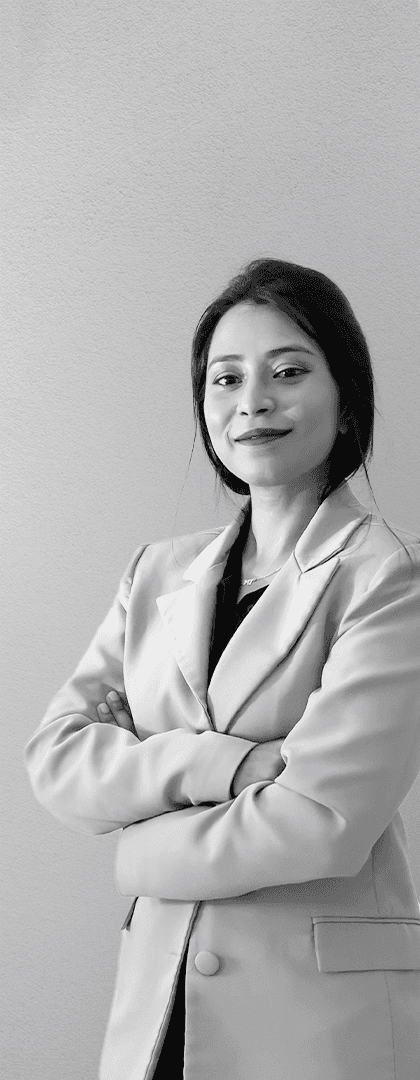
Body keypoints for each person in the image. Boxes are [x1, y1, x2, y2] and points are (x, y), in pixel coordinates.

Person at [24, 258, 420, 1080]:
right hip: (159, 1005)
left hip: (312, 1024)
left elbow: (320, 821)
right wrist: (228, 766)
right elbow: (58, 760)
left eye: (288, 372)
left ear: (347, 398)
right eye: (226, 378)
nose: (253, 401)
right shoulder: (155, 573)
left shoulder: (388, 578)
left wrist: (137, 851)